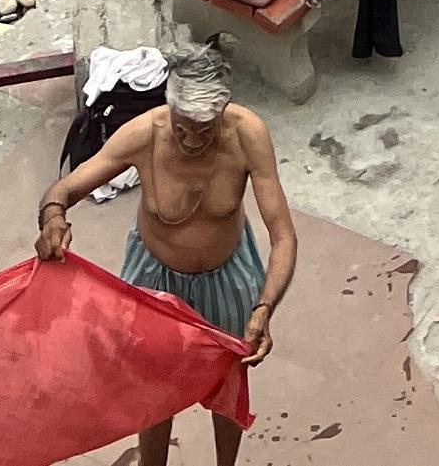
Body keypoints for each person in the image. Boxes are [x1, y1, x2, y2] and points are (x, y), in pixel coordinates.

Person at [38, 46, 297, 458]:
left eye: (205, 130)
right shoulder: (145, 133)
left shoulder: (248, 134)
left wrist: (264, 308)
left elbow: (283, 235)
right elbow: (66, 188)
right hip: (154, 279)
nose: (193, 140)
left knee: (229, 378)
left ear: (224, 113)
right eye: (183, 128)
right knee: (152, 385)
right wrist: (53, 217)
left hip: (227, 276)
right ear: (168, 110)